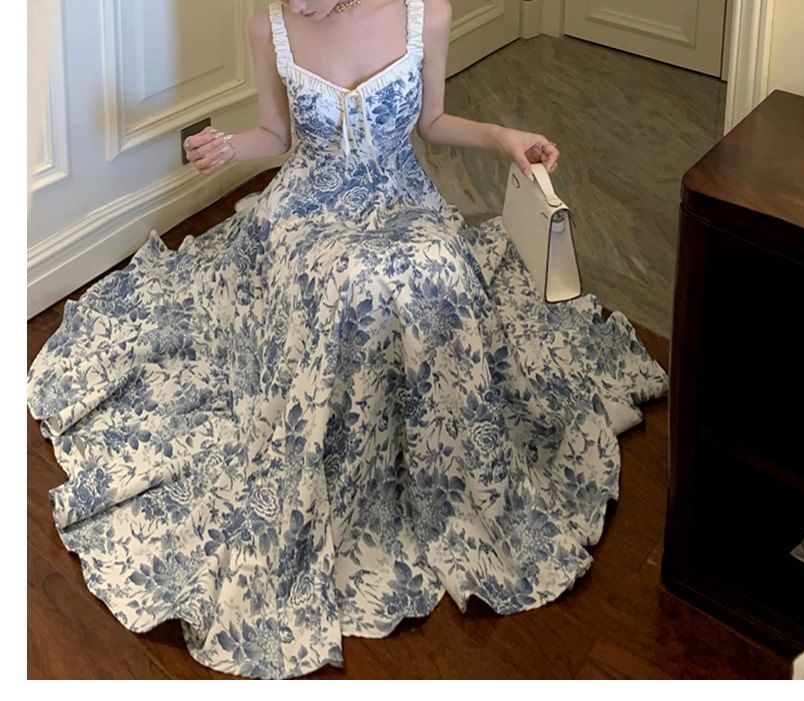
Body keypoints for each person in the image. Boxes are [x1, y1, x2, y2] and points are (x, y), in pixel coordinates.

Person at [26, 0, 669, 680]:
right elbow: (276, 136)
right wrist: (229, 147)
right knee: (349, 288)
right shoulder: (268, 25)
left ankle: (443, 465)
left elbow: (433, 121)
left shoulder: (427, 14)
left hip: (402, 198)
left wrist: (506, 138)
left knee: (445, 272)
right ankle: (351, 470)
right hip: (306, 213)